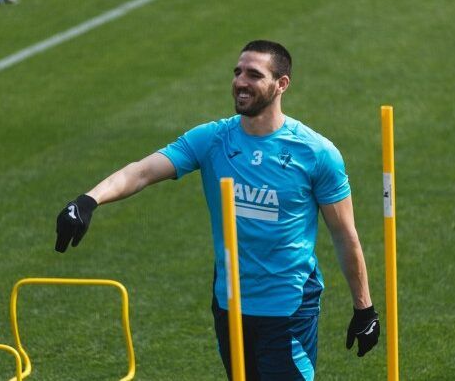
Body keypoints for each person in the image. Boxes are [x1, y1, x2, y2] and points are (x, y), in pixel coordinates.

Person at [55, 40, 379, 380]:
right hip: (229, 302)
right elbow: (142, 171)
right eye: (238, 72)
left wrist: (364, 308)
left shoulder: (316, 153)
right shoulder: (212, 139)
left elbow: (344, 235)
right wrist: (88, 200)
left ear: (281, 84)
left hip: (289, 308)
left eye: (254, 74)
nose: (240, 81)